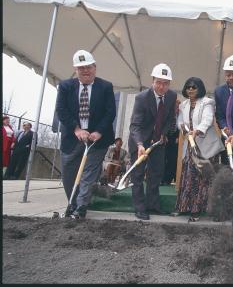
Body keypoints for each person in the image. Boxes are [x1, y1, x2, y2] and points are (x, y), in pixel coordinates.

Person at [55, 50, 116, 219]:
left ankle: (81, 207)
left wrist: (99, 131)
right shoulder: (66, 86)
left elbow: (110, 112)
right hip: (72, 138)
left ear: (95, 68)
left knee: (89, 173)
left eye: (88, 67)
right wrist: (76, 129)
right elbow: (61, 110)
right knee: (69, 173)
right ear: (75, 70)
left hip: (97, 140)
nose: (85, 71)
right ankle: (72, 204)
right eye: (81, 68)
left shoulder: (105, 87)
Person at [128, 63, 177, 221]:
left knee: (156, 173)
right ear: (153, 81)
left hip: (158, 141)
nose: (162, 87)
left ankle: (153, 205)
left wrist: (163, 133)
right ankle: (140, 208)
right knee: (138, 174)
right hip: (140, 141)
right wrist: (140, 144)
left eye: (166, 83)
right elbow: (134, 125)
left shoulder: (171, 96)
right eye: (159, 82)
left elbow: (170, 119)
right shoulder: (142, 98)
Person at [176, 77, 224, 222]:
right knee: (189, 178)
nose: (190, 89)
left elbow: (208, 120)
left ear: (200, 88)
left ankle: (198, 211)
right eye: (188, 87)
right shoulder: (183, 105)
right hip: (191, 148)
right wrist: (183, 129)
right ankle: (185, 207)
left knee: (203, 180)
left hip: (206, 149)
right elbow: (180, 122)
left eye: (194, 87)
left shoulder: (207, 102)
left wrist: (197, 131)